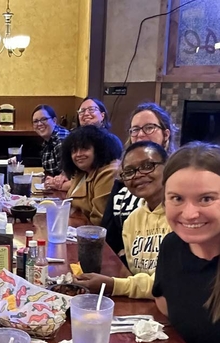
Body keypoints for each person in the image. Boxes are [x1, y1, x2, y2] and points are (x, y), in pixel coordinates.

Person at [153, 142, 220, 343]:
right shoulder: (172, 247)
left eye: (207, 198)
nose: (189, 214)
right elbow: (165, 305)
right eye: (177, 198)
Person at [76, 141, 170, 299]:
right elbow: (134, 273)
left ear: (168, 167)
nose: (138, 175)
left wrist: (113, 285)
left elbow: (168, 285)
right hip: (143, 307)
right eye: (129, 171)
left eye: (148, 166)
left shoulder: (182, 219)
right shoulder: (132, 220)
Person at [102, 102, 176, 258]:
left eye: (149, 128)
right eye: (135, 130)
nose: (141, 134)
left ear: (166, 134)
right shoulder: (124, 176)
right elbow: (108, 232)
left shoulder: (177, 176)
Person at [47, 97, 122, 191]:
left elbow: (95, 180)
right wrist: (61, 178)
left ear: (102, 115)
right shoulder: (74, 139)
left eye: (91, 109)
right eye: (82, 111)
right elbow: (74, 174)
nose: (86, 114)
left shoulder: (110, 141)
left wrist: (60, 186)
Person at [62, 125, 122, 226]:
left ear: (98, 149)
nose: (78, 154)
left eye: (84, 149)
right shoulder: (82, 172)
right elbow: (68, 205)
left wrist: (74, 220)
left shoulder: (109, 172)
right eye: (74, 150)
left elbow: (99, 221)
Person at [31, 104, 70, 183]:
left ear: (54, 121)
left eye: (44, 119)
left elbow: (67, 176)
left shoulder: (60, 138)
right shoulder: (48, 140)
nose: (39, 124)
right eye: (35, 121)